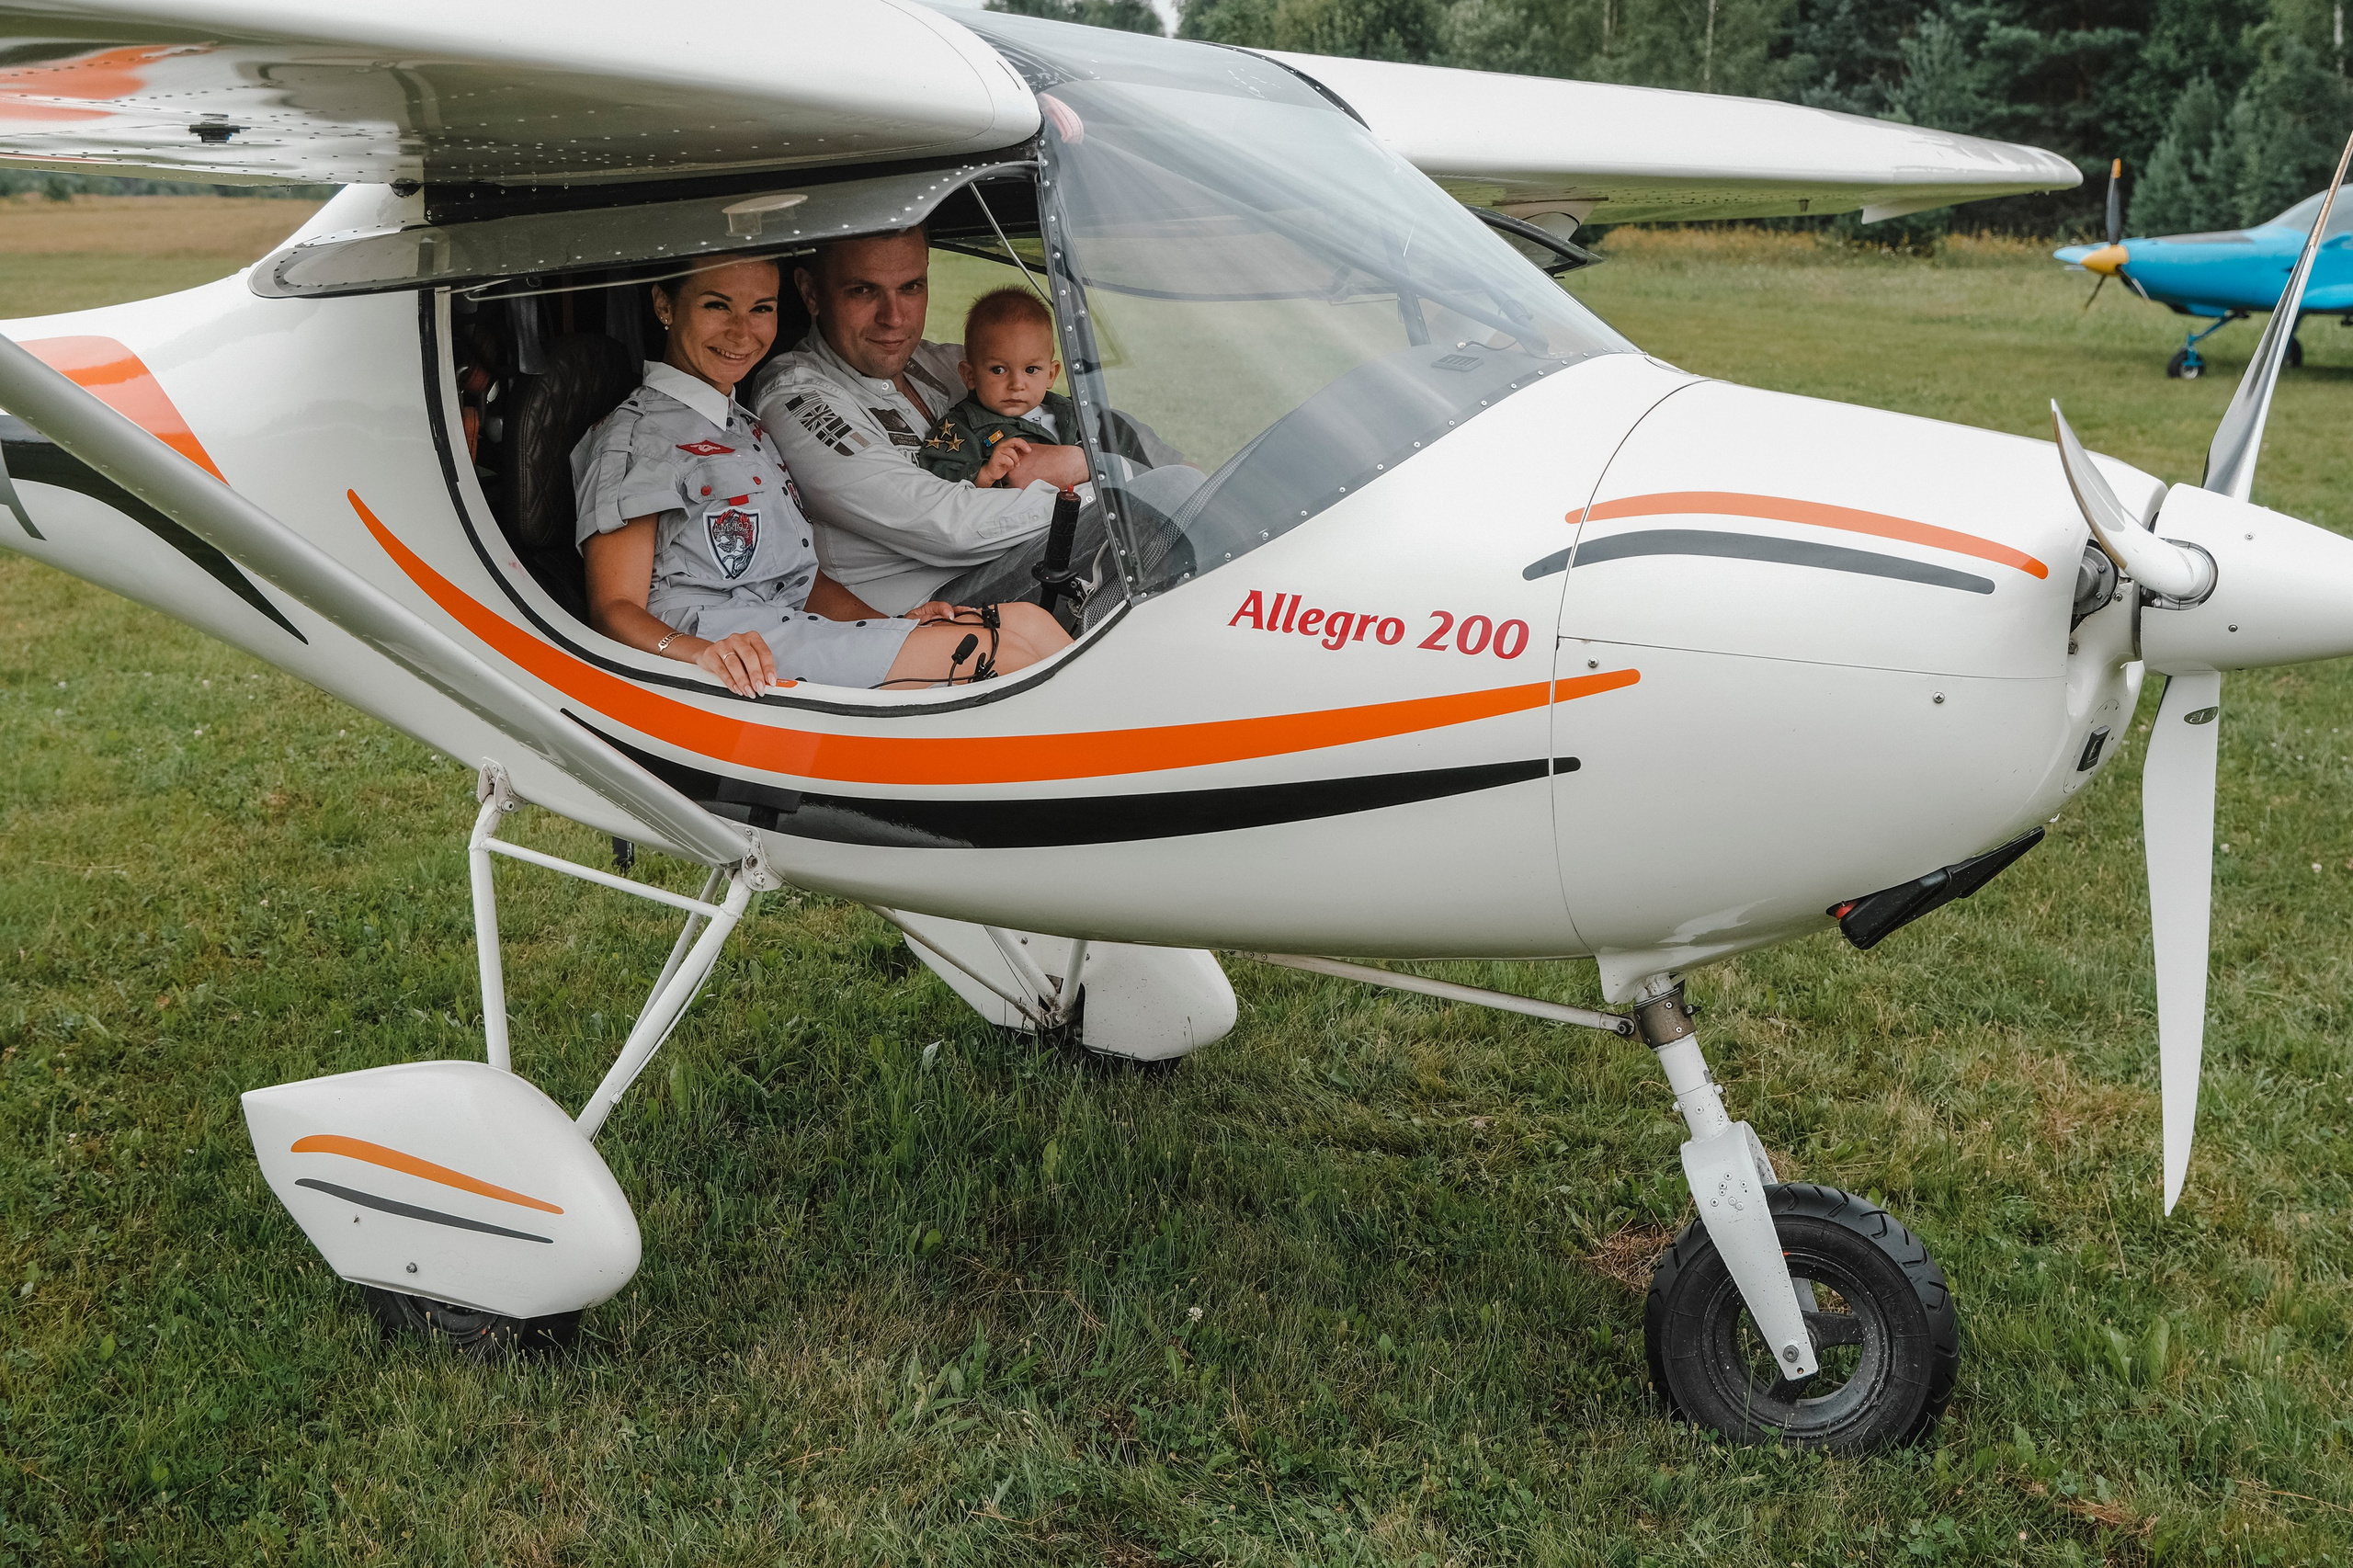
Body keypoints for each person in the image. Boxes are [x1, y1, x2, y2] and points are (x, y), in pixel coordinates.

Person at [572, 255, 1068, 696]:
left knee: (1030, 623)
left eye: (762, 308)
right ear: (664, 306)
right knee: (1002, 654)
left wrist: (895, 625)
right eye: (717, 306)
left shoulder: (746, 429)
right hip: (732, 652)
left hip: (796, 627)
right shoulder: (636, 434)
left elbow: (802, 580)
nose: (743, 332)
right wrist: (695, 652)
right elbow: (613, 607)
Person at [755, 229, 1130, 617]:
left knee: (1170, 497)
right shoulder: (796, 396)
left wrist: (1123, 465)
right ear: (811, 293)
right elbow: (951, 528)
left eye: (911, 287)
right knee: (1153, 507)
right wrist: (1098, 480)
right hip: (924, 610)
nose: (894, 318)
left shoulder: (941, 364)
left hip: (1014, 564)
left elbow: (1092, 416)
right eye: (863, 291)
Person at [916, 288, 1089, 487]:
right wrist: (985, 474)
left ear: (1051, 374)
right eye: (998, 370)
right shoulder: (961, 428)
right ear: (970, 375)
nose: (1016, 384)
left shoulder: (1072, 412)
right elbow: (934, 474)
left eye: (1031, 369)